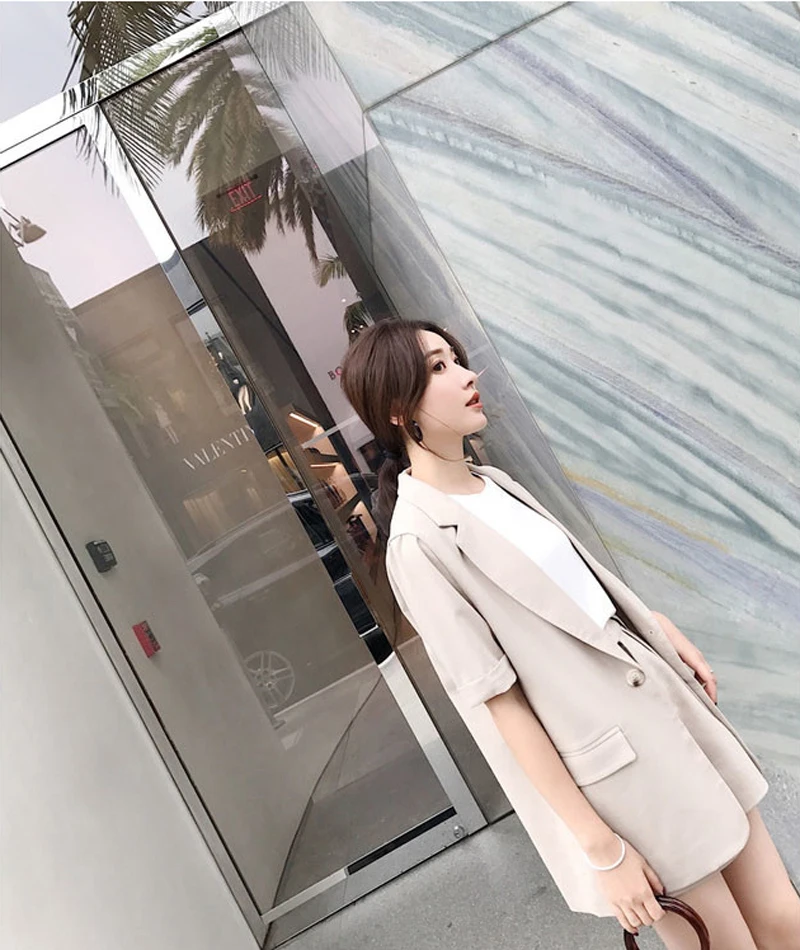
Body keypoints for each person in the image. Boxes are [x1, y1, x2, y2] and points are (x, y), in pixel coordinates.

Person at [339, 318, 800, 949]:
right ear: (398, 410)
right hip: (624, 781)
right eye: (439, 368)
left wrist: (655, 627)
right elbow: (501, 707)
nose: (468, 375)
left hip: (668, 710)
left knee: (782, 918)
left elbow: (573, 598)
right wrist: (603, 851)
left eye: (457, 359)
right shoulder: (418, 546)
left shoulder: (495, 484)